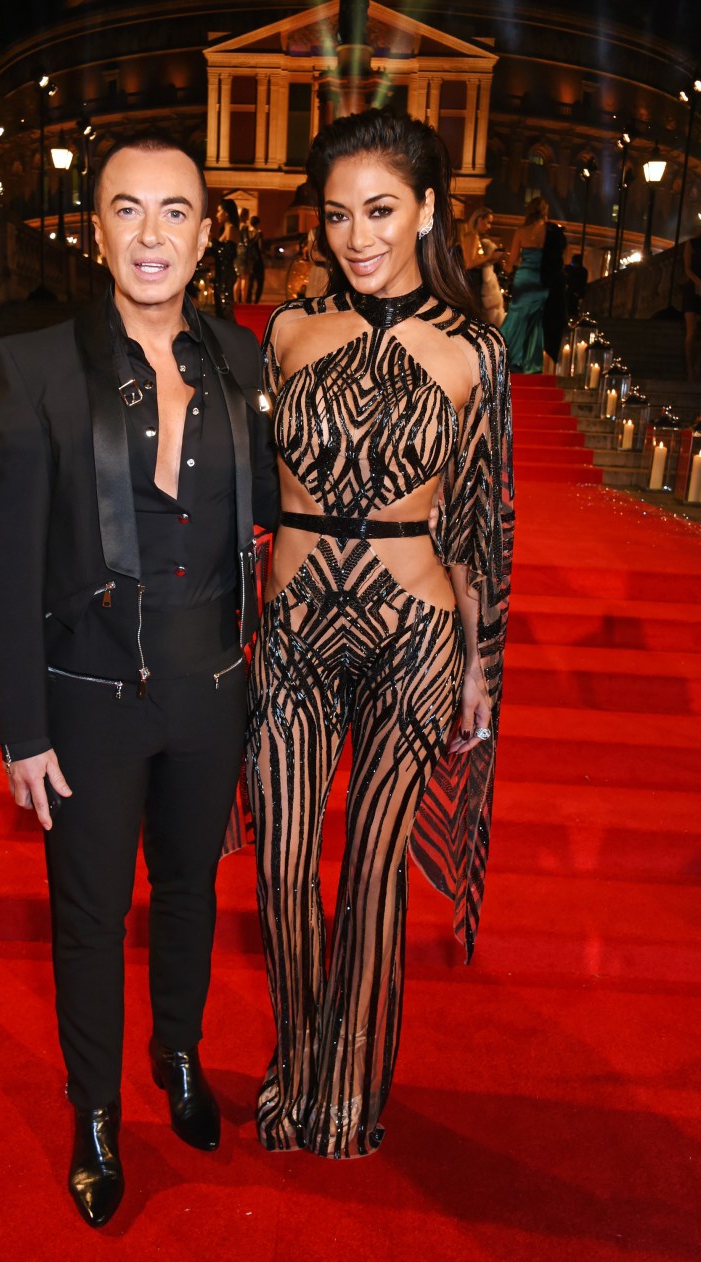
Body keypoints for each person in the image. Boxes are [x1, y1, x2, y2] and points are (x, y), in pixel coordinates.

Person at [0, 133, 278, 1228]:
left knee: (194, 891)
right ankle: (95, 1112)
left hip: (211, 687)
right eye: (127, 210)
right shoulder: (35, 364)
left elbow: (279, 525)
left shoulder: (245, 361)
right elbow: (8, 560)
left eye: (174, 212)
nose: (152, 235)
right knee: (92, 914)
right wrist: (21, 728)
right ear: (93, 225)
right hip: (87, 696)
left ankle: (181, 1057)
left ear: (207, 230)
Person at [246, 109, 514, 1160]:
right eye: (340, 213)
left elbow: (478, 520)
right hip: (297, 627)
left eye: (383, 210)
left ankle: (346, 1092)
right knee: (280, 863)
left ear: (428, 211)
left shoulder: (476, 353)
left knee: (371, 873)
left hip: (417, 635)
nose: (358, 234)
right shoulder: (286, 330)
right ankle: (295, 1060)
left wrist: (480, 669)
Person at [501, 195, 549, 373]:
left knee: (515, 317)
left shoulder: (521, 232)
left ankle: (504, 354)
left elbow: (512, 261)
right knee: (535, 321)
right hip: (540, 280)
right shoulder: (549, 232)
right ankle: (531, 363)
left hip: (524, 278)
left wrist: (504, 265)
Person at [462, 206, 505, 327]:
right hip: (473, 281)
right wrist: (491, 256)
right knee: (474, 315)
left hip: (474, 280)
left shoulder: (474, 236)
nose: (489, 226)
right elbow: (469, 262)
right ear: (480, 219)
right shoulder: (472, 236)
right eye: (488, 222)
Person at [540, 214, 568, 370]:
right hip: (554, 308)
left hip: (545, 306)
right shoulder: (557, 268)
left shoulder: (544, 264)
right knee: (552, 340)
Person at [212, 197, 239, 320]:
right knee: (221, 308)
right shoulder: (226, 229)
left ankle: (230, 336)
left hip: (226, 275)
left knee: (225, 308)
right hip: (221, 273)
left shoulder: (232, 229)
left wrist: (212, 241)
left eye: (219, 211)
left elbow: (227, 254)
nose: (217, 215)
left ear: (226, 213)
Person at [682, 234, 701, 382]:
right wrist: (698, 282)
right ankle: (690, 369)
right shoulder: (692, 243)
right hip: (692, 291)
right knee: (692, 331)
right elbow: (687, 269)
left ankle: (697, 366)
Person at [234, 206, 252, 304]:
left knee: (238, 277)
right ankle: (243, 300)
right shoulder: (244, 227)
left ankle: (236, 299)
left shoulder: (237, 226)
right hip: (244, 253)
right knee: (245, 278)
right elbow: (246, 241)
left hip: (237, 253)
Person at [564, 251, 589, 320]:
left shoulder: (579, 271)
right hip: (573, 293)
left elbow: (582, 283)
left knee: (572, 310)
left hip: (574, 293)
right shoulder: (582, 271)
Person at [247, 215, 265, 303]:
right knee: (260, 282)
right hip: (258, 260)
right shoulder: (259, 233)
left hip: (249, 260)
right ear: (258, 224)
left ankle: (248, 301)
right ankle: (256, 301)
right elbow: (261, 247)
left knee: (250, 282)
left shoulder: (247, 233)